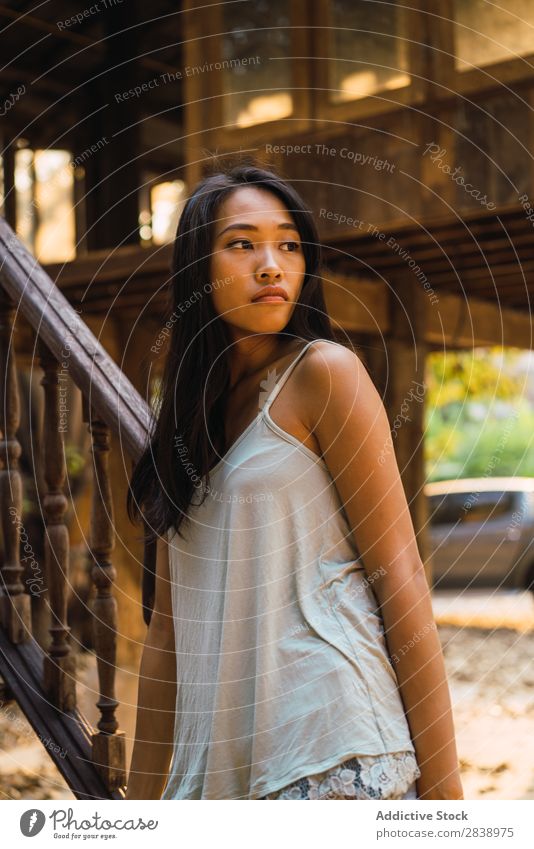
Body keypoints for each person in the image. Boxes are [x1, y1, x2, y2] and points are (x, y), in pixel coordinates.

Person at [125, 164, 463, 801]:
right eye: (242, 243)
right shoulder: (186, 426)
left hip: (332, 751)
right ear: (199, 266)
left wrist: (446, 802)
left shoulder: (324, 374)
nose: (271, 264)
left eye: (288, 244)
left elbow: (401, 574)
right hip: (217, 780)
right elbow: (166, 638)